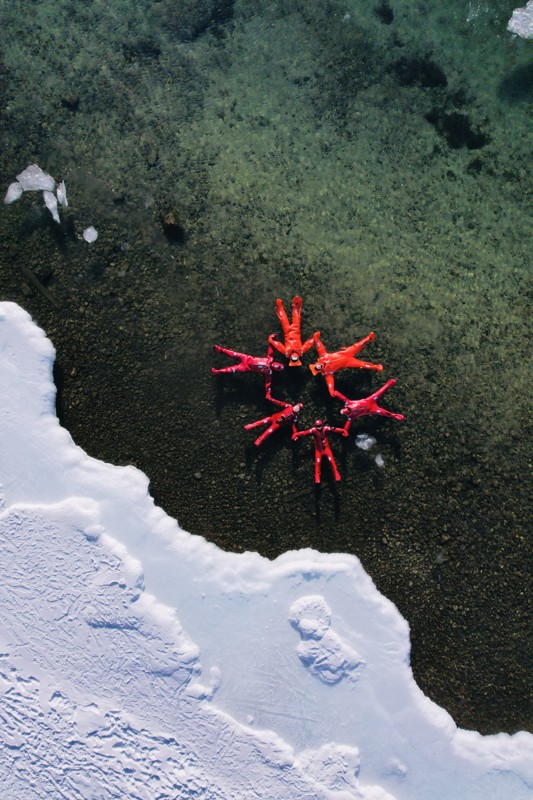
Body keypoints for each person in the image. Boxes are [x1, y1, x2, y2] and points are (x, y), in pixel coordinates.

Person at [309, 332, 383, 396]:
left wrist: (316, 339)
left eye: (317, 366)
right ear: (319, 370)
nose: (318, 366)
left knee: (358, 345)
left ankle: (369, 338)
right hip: (348, 362)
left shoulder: (323, 356)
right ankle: (376, 367)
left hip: (345, 353)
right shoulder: (327, 373)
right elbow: (330, 382)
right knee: (361, 364)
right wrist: (331, 390)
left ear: (316, 363)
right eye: (318, 368)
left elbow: (320, 347)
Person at [212, 343, 284, 398]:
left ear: (276, 370)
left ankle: (218, 371)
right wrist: (271, 341)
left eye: (277, 368)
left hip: (246, 367)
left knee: (233, 369)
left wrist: (268, 393)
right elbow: (271, 350)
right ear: (277, 362)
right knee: (232, 353)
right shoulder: (270, 359)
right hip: (246, 358)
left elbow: (268, 384)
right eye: (278, 365)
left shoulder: (269, 372)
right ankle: (220, 349)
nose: (276, 366)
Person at [334, 379, 405, 433]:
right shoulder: (350, 416)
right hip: (372, 408)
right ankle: (394, 416)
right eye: (345, 412)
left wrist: (337, 393)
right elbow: (347, 425)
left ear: (344, 408)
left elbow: (343, 398)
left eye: (344, 410)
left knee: (381, 391)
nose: (346, 410)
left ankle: (390, 384)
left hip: (370, 401)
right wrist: (345, 430)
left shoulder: (348, 404)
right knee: (385, 413)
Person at [268, 296, 320, 367]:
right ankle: (296, 305)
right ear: (298, 358)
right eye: (296, 359)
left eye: (293, 359)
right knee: (296, 317)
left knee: (283, 319)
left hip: (287, 331)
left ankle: (279, 307)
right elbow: (308, 344)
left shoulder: (286, 352)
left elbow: (279, 346)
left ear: (291, 359)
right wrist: (315, 339)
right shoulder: (301, 351)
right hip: (296, 330)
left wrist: (272, 341)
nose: (294, 357)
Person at [292, 419, 347, 483]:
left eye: (320, 425)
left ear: (322, 425)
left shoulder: (326, 428)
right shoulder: (313, 430)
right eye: (318, 426)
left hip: (326, 449)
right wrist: (296, 434)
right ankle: (317, 475)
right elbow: (304, 433)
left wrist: (343, 431)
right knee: (318, 463)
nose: (319, 427)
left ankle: (335, 472)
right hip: (319, 450)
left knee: (331, 460)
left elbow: (334, 429)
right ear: (315, 426)